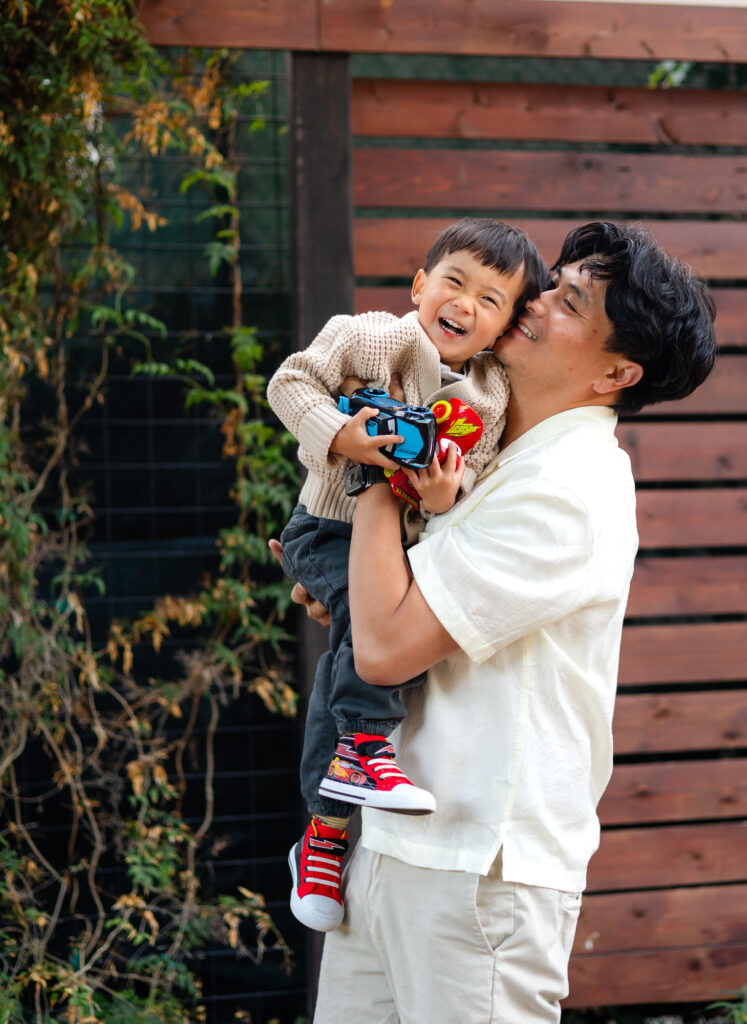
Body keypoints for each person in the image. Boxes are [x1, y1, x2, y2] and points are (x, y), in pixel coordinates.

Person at [285, 221, 717, 1023]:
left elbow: (384, 649)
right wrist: (341, 581)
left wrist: (380, 465)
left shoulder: (567, 487)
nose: (534, 299)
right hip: (385, 846)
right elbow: (381, 609)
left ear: (615, 372)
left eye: (569, 302)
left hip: (479, 874)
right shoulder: (484, 441)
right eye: (553, 281)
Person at [266, 219, 549, 932]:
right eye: (454, 282)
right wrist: (340, 433)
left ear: (505, 329)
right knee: (372, 633)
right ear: (420, 285)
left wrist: (442, 497)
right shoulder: (370, 336)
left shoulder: (487, 398)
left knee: (366, 644)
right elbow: (290, 382)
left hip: (400, 543)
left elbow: (468, 474)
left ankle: (323, 836)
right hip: (324, 528)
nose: (464, 304)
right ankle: (362, 752)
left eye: (491, 300)